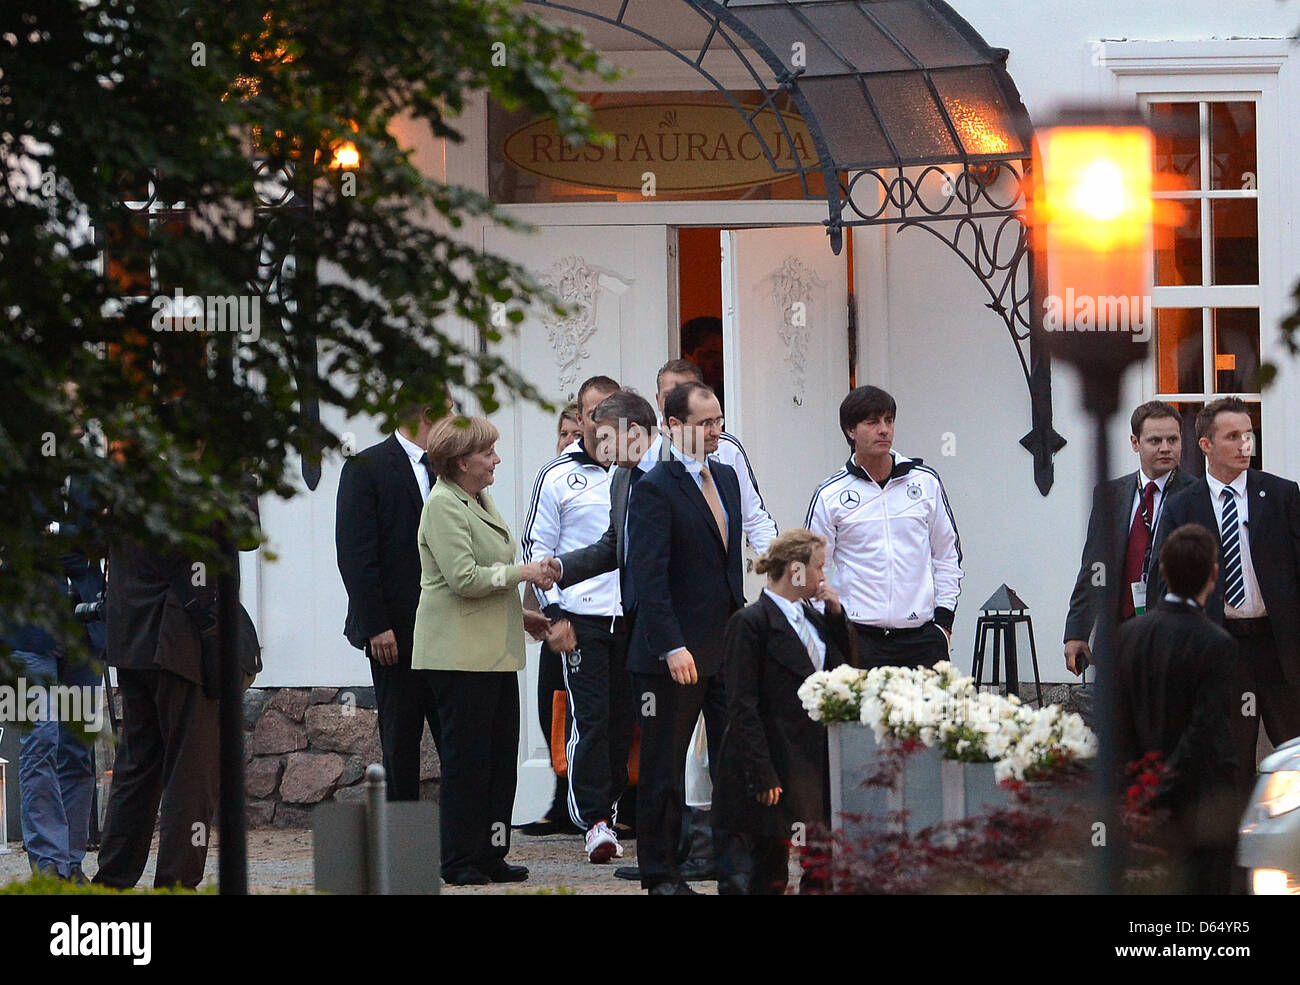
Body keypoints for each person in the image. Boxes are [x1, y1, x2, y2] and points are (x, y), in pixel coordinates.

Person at [411, 414, 557, 885]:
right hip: (457, 659)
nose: (497, 459)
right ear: (459, 462)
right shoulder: (442, 506)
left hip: (494, 654)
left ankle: (491, 854)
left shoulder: (477, 497)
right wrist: (525, 574)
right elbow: (465, 579)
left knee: (498, 764)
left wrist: (524, 615)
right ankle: (458, 861)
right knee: (468, 765)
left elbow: (489, 575)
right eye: (488, 453)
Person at [626, 380, 746, 894]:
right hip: (669, 656)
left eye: (718, 419)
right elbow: (648, 576)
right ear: (673, 426)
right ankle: (661, 875)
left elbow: (727, 566)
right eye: (705, 422)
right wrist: (672, 645)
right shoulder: (654, 486)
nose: (716, 430)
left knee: (734, 762)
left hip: (724, 647)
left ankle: (736, 869)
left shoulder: (726, 476)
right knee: (663, 770)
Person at [1150, 397, 1300, 803]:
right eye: (1232, 436)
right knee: (1229, 761)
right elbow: (1166, 586)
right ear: (1205, 445)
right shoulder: (1184, 506)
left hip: (1278, 647)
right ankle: (1236, 856)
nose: (1244, 445)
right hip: (1221, 648)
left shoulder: (1282, 494)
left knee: (1294, 754)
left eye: (1248, 435)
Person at [521, 375, 636, 863]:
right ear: (582, 418)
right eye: (592, 413)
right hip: (582, 618)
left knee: (625, 719)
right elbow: (537, 550)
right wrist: (552, 617)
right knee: (589, 720)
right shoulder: (555, 476)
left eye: (609, 412)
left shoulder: (638, 471)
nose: (600, 422)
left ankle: (619, 808)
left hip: (632, 617)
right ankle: (593, 821)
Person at [714, 528, 857, 895]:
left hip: (813, 762)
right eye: (819, 567)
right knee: (769, 867)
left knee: (821, 861)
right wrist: (762, 773)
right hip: (774, 762)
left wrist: (837, 616)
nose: (823, 576)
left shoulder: (814, 619)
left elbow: (844, 674)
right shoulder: (750, 623)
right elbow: (742, 706)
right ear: (796, 570)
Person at [1116, 523, 1239, 894]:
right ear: (1214, 575)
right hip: (1201, 808)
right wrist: (1166, 782)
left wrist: (1139, 786)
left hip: (1138, 803)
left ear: (1164, 572)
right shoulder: (1216, 644)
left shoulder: (1129, 635)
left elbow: (1117, 721)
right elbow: (1206, 730)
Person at [805, 385, 963, 669]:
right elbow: (812, 569)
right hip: (858, 637)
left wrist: (943, 622)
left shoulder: (925, 482)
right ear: (850, 431)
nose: (884, 430)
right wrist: (830, 629)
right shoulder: (830, 495)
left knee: (930, 715)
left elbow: (947, 554)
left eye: (889, 421)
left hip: (922, 638)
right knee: (857, 715)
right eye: (872, 422)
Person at [335, 398, 443, 801]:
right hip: (395, 633)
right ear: (427, 414)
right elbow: (356, 556)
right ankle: (402, 847)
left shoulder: (448, 466)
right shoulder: (368, 468)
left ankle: (460, 850)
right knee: (400, 743)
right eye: (447, 411)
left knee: (456, 739)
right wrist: (377, 625)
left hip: (446, 629)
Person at [1, 490, 104, 882]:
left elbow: (104, 542)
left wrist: (56, 534)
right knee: (38, 743)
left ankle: (70, 863)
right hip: (21, 636)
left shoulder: (93, 474)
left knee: (78, 750)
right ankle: (47, 867)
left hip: (84, 633)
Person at [1064, 401, 1191, 675]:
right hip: (1119, 633)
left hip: (1174, 638)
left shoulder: (1197, 495)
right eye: (1155, 440)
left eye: (1173, 439)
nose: (1166, 448)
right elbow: (1094, 565)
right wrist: (1077, 631)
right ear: (1135, 443)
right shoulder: (1110, 494)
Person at [517, 400, 588, 837]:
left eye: (575, 434)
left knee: (595, 715)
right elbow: (535, 544)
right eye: (562, 433)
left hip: (595, 613)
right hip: (553, 611)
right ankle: (561, 797)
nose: (567, 442)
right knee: (553, 707)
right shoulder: (551, 481)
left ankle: (601, 806)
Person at [653, 358, 775, 554]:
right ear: (658, 399)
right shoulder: (640, 449)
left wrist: (779, 568)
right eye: (670, 395)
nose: (679, 401)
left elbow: (754, 518)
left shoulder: (726, 448)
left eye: (687, 392)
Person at [680, 316, 725, 405]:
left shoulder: (731, 394)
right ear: (687, 355)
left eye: (723, 355)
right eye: (710, 355)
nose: (719, 363)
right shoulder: (676, 397)